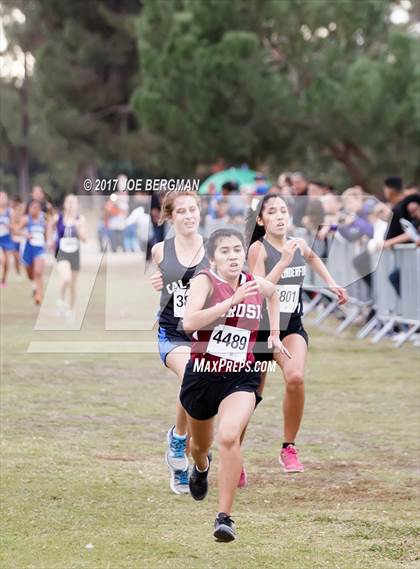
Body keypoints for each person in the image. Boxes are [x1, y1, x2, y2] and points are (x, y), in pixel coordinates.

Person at [181, 228, 290, 542]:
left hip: (241, 376)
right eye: (224, 251)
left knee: (229, 437)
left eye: (237, 250)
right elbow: (189, 323)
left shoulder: (253, 283)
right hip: (202, 375)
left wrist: (273, 335)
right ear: (213, 257)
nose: (232, 256)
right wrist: (229, 302)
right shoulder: (205, 281)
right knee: (200, 448)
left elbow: (275, 294)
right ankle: (200, 467)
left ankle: (224, 519)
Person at [246, 194, 348, 473]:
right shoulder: (259, 249)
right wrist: (284, 261)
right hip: (260, 331)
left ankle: (288, 447)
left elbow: (313, 257)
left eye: (283, 211)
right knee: (249, 398)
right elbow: (259, 289)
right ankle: (234, 455)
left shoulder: (299, 244)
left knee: (296, 377)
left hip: (290, 327)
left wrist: (331, 283)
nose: (279, 216)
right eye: (272, 212)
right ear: (261, 220)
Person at [151, 191, 208, 495]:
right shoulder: (161, 250)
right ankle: (178, 438)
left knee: (205, 400)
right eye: (181, 211)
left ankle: (190, 458)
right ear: (170, 217)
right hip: (173, 333)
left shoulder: (213, 249)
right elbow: (162, 280)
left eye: (193, 209)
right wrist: (158, 280)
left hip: (207, 335)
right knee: (191, 374)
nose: (188, 216)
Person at [52, 194, 87, 320]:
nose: (71, 205)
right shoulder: (58, 218)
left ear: (77, 205)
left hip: (75, 254)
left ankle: (71, 311)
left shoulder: (80, 219)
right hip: (62, 252)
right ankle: (61, 300)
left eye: (74, 202)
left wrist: (78, 228)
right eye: (69, 202)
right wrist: (48, 239)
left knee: (73, 285)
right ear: (65, 204)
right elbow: (49, 227)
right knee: (66, 278)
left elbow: (84, 239)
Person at [15, 200, 49, 304]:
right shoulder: (26, 219)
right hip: (28, 250)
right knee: (31, 275)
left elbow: (47, 233)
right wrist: (26, 235)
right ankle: (35, 286)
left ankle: (39, 295)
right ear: (29, 209)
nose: (35, 210)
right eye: (33, 207)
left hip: (39, 249)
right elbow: (16, 230)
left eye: (37, 208)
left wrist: (47, 242)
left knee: (38, 272)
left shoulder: (43, 220)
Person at [0, 192, 15, 286]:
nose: (3, 199)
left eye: (4, 197)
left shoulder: (10, 211)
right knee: (2, 259)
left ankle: (4, 279)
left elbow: (13, 226)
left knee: (7, 262)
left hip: (7, 239)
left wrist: (9, 226)